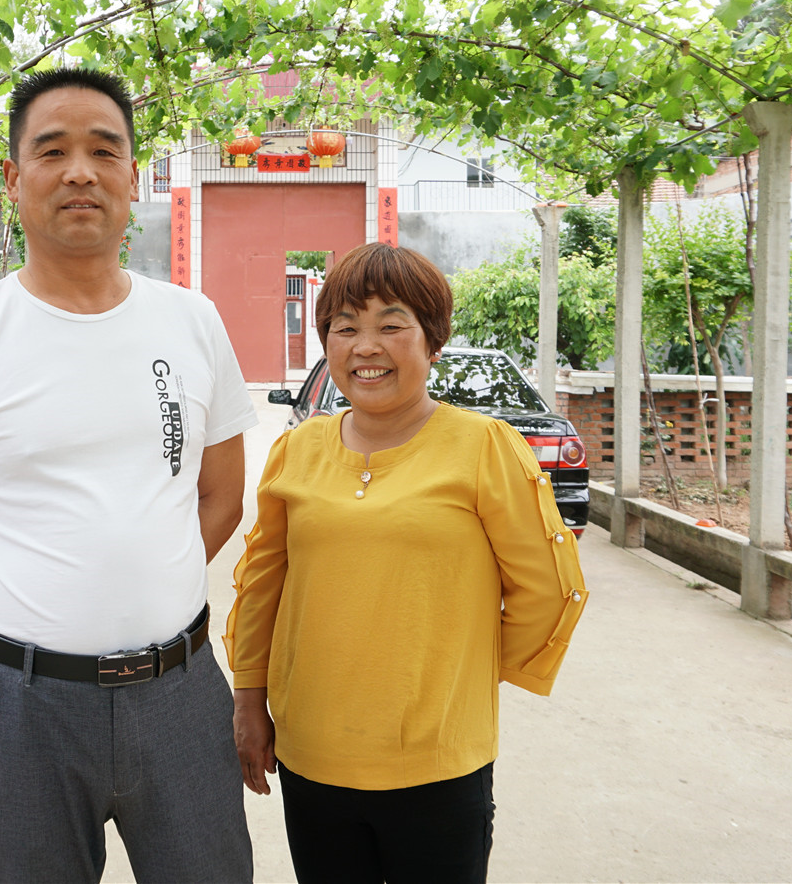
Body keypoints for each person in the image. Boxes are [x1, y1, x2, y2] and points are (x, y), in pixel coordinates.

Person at [0, 67, 257, 884]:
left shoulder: (192, 322)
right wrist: (22, 608)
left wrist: (149, 576)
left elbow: (223, 494)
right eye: (52, 151)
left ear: (132, 176)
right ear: (13, 181)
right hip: (21, 708)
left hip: (182, 694)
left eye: (103, 150)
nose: (80, 170)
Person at [225, 241, 588, 884]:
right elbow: (262, 587)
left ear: (432, 341)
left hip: (440, 767)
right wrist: (249, 700)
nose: (366, 346)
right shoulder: (297, 450)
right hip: (314, 757)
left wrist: (454, 672)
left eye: (392, 325)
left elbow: (546, 588)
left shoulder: (482, 447)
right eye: (345, 328)